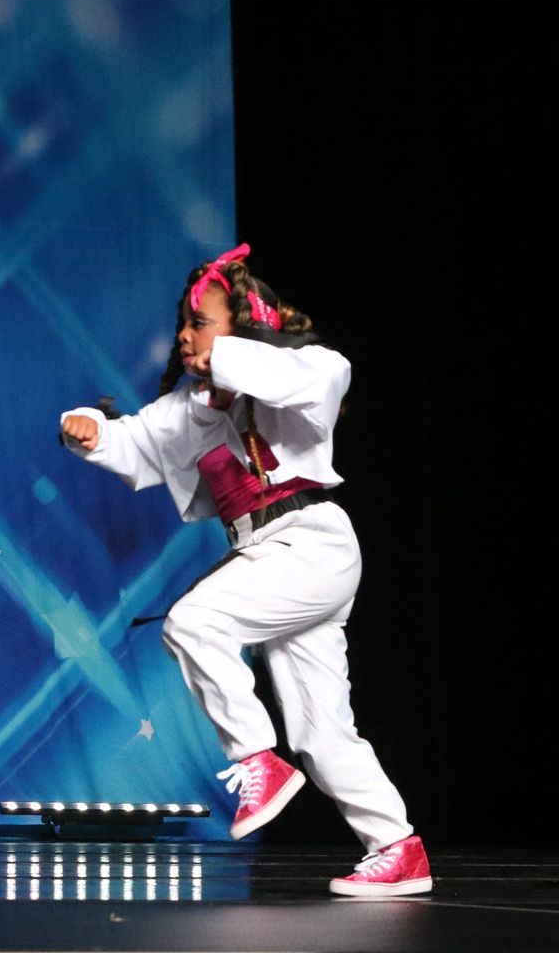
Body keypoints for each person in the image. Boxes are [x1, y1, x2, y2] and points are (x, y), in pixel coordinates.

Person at [58, 244, 430, 898]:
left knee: (192, 621)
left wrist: (228, 347)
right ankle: (397, 845)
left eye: (200, 320)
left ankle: (256, 757)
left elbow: (320, 376)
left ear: (242, 324)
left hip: (312, 543)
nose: (186, 334)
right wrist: (87, 427)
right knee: (321, 731)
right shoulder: (192, 407)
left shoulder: (305, 369)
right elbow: (135, 441)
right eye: (186, 323)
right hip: (265, 555)